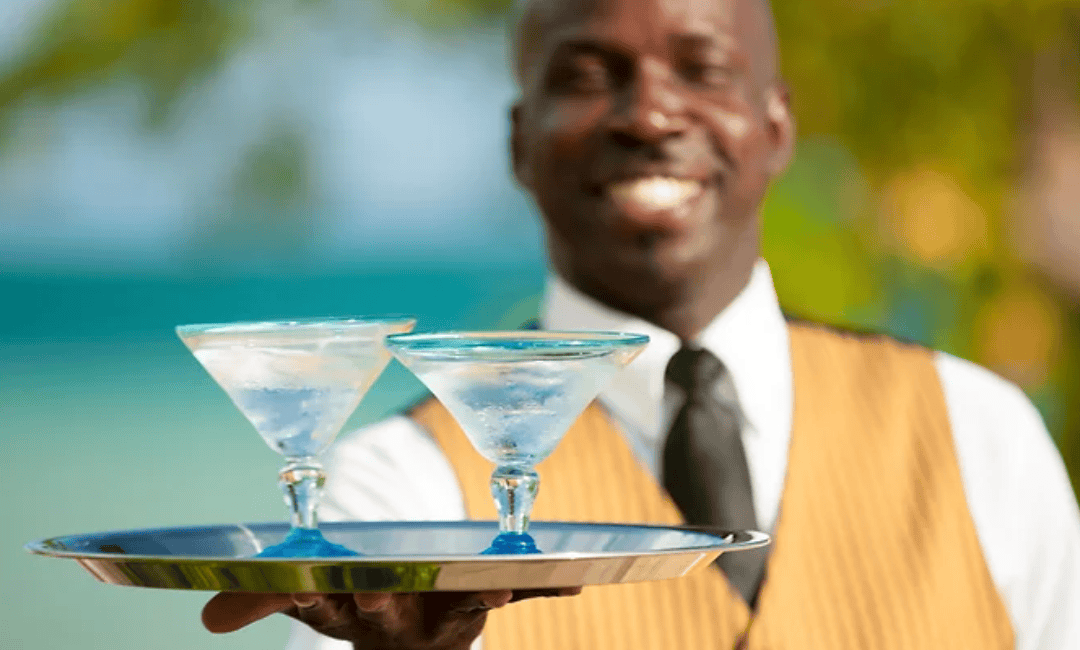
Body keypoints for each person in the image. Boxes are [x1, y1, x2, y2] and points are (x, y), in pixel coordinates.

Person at [202, 0, 1080, 647]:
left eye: (702, 69)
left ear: (776, 127)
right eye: (588, 76)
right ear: (520, 143)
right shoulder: (399, 493)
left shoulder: (980, 431)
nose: (651, 115)